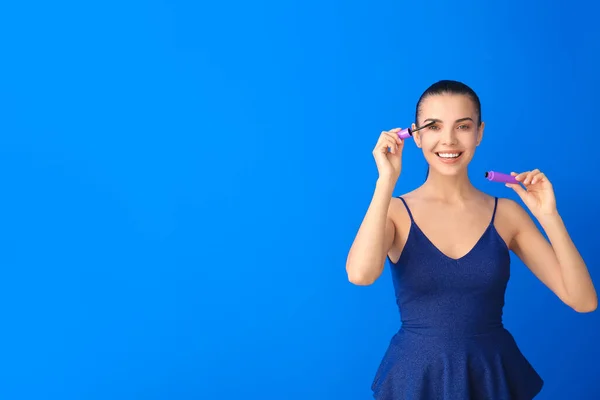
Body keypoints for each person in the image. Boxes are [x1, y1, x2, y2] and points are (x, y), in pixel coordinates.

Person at [345, 80, 597, 400]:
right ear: (416, 136)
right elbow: (360, 274)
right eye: (434, 126)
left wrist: (549, 216)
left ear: (479, 132)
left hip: (491, 375)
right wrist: (386, 182)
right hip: (415, 376)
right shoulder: (394, 210)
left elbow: (584, 300)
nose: (448, 139)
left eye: (462, 126)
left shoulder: (507, 214)